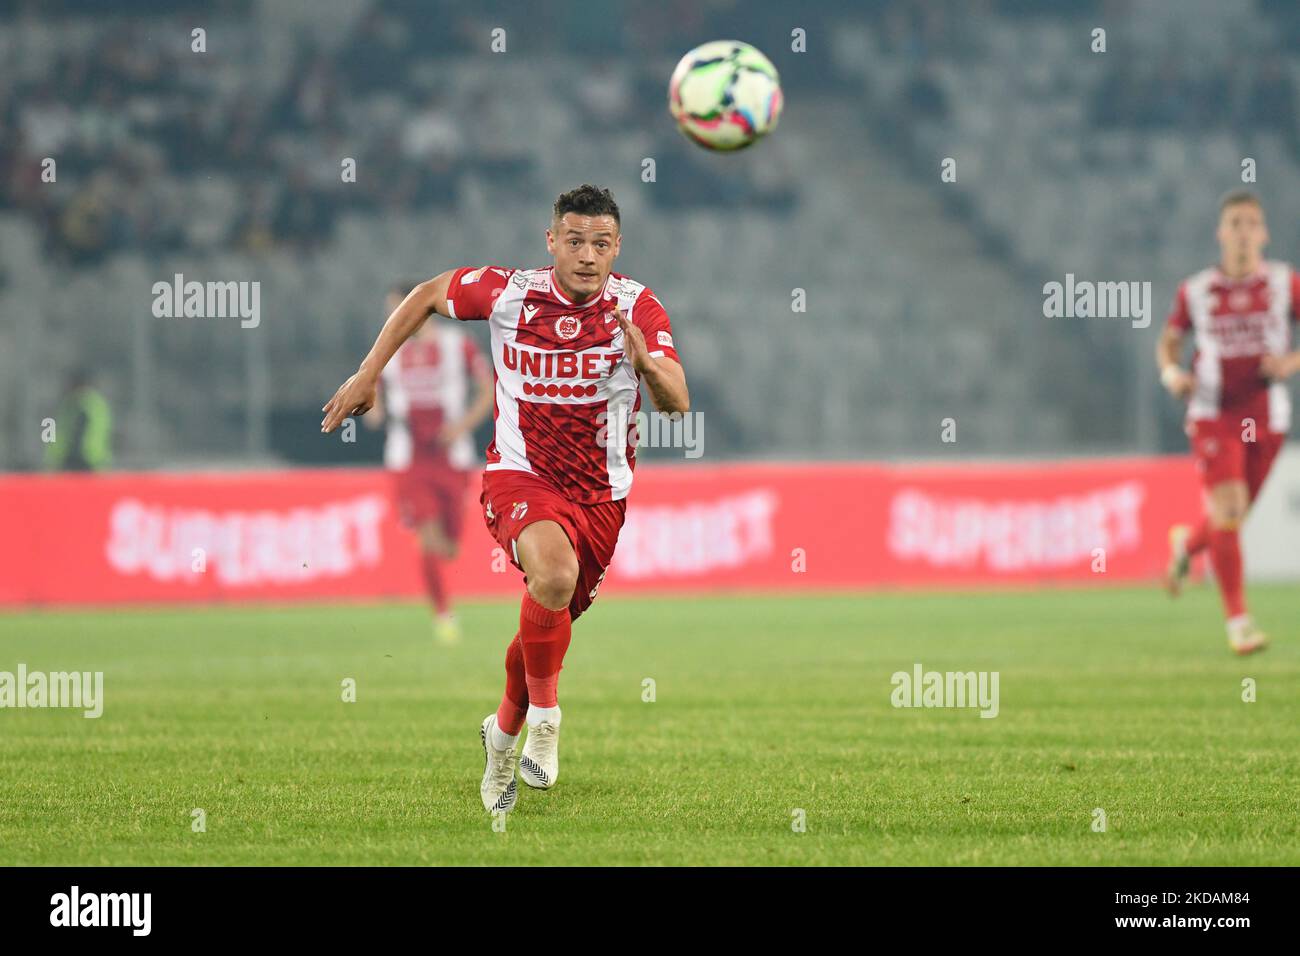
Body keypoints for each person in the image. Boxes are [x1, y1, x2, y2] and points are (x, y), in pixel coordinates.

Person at [322, 185, 689, 813]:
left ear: (616, 247)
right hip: (519, 476)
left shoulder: (638, 307)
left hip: (603, 497)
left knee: (544, 624)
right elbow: (427, 294)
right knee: (552, 572)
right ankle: (545, 723)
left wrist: (647, 366)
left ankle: (501, 736)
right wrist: (369, 372)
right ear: (552, 243)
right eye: (574, 241)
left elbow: (678, 404)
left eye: (600, 244)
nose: (586, 255)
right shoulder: (509, 293)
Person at [1157, 190, 1300, 655]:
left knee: (1231, 518)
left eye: (1250, 224)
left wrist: (1290, 362)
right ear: (1221, 233)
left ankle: (1186, 544)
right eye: (1234, 223)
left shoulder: (1283, 284)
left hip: (1266, 414)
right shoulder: (1196, 291)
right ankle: (1239, 623)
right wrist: (1172, 373)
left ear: (1264, 233)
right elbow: (1170, 341)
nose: (1242, 233)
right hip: (1212, 411)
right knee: (1231, 509)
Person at [364, 281, 493, 644]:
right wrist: (375, 411)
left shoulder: (457, 345)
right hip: (409, 457)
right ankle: (443, 615)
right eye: (392, 310)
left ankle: (442, 604)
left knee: (449, 546)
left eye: (401, 308)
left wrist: (463, 426)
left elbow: (487, 389)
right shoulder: (386, 351)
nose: (396, 317)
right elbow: (373, 392)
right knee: (428, 536)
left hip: (452, 456)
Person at [45, 367, 112, 472]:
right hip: (96, 460)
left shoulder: (75, 405)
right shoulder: (98, 404)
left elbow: (72, 436)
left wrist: (57, 460)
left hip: (81, 462)